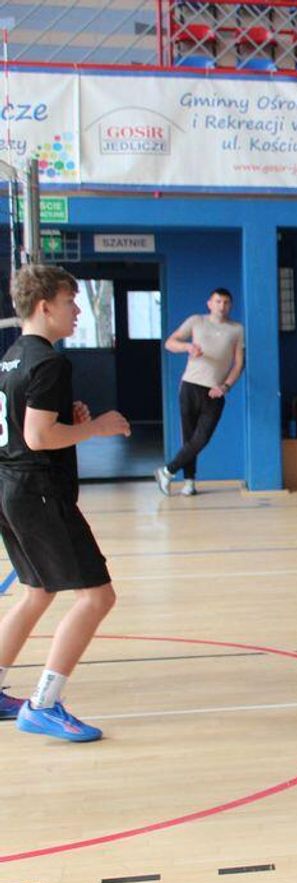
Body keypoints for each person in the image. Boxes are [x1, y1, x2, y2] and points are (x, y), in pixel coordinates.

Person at [0, 265, 132, 742]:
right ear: (44, 306)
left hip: (9, 487)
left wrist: (68, 425)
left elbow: (26, 427)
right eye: (70, 302)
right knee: (97, 597)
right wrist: (96, 428)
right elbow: (38, 437)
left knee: (37, 591)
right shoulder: (50, 362)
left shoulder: (12, 358)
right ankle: (43, 704)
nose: (77, 311)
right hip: (38, 492)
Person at [154, 287, 245, 496]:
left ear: (230, 306)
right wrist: (188, 347)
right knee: (189, 437)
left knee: (201, 438)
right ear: (209, 303)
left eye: (226, 302)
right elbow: (170, 343)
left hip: (215, 391)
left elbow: (239, 364)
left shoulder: (237, 329)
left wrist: (225, 386)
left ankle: (167, 471)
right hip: (190, 385)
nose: (221, 306)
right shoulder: (197, 321)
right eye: (218, 301)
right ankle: (189, 482)